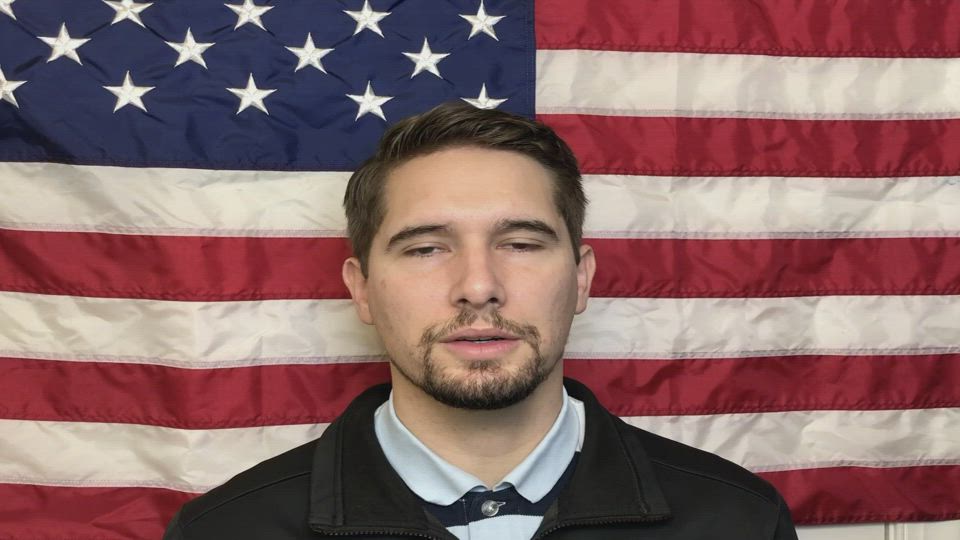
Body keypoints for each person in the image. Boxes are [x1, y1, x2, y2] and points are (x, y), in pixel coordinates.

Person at [163, 102, 798, 539]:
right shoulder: (225, 531)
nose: (478, 287)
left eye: (520, 244)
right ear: (363, 290)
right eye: (425, 249)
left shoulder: (738, 520)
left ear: (581, 278)